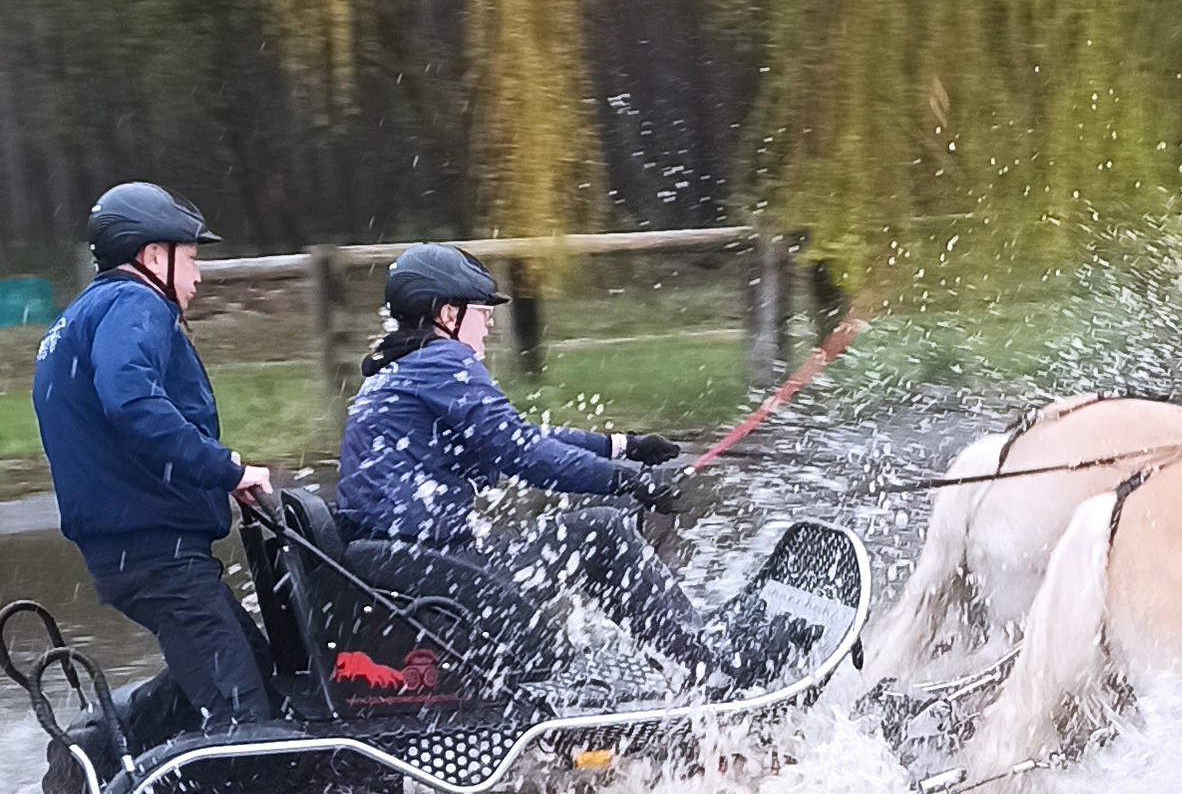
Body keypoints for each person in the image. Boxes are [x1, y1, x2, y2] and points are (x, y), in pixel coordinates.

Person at [334, 244, 723, 678]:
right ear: (448, 315)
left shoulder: (399, 369)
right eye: (483, 312)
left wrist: (621, 446)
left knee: (593, 532)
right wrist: (625, 482)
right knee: (602, 532)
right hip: (436, 576)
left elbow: (520, 437)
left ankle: (686, 657)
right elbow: (520, 453)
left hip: (415, 567)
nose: (488, 326)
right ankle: (709, 663)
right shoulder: (443, 361)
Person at [32, 183, 278, 728]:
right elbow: (133, 403)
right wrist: (224, 468)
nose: (197, 277)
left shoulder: (80, 316)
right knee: (251, 725)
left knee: (258, 674)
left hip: (134, 551)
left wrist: (217, 470)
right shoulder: (135, 303)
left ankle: (107, 751)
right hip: (158, 556)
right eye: (190, 259)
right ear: (152, 257)